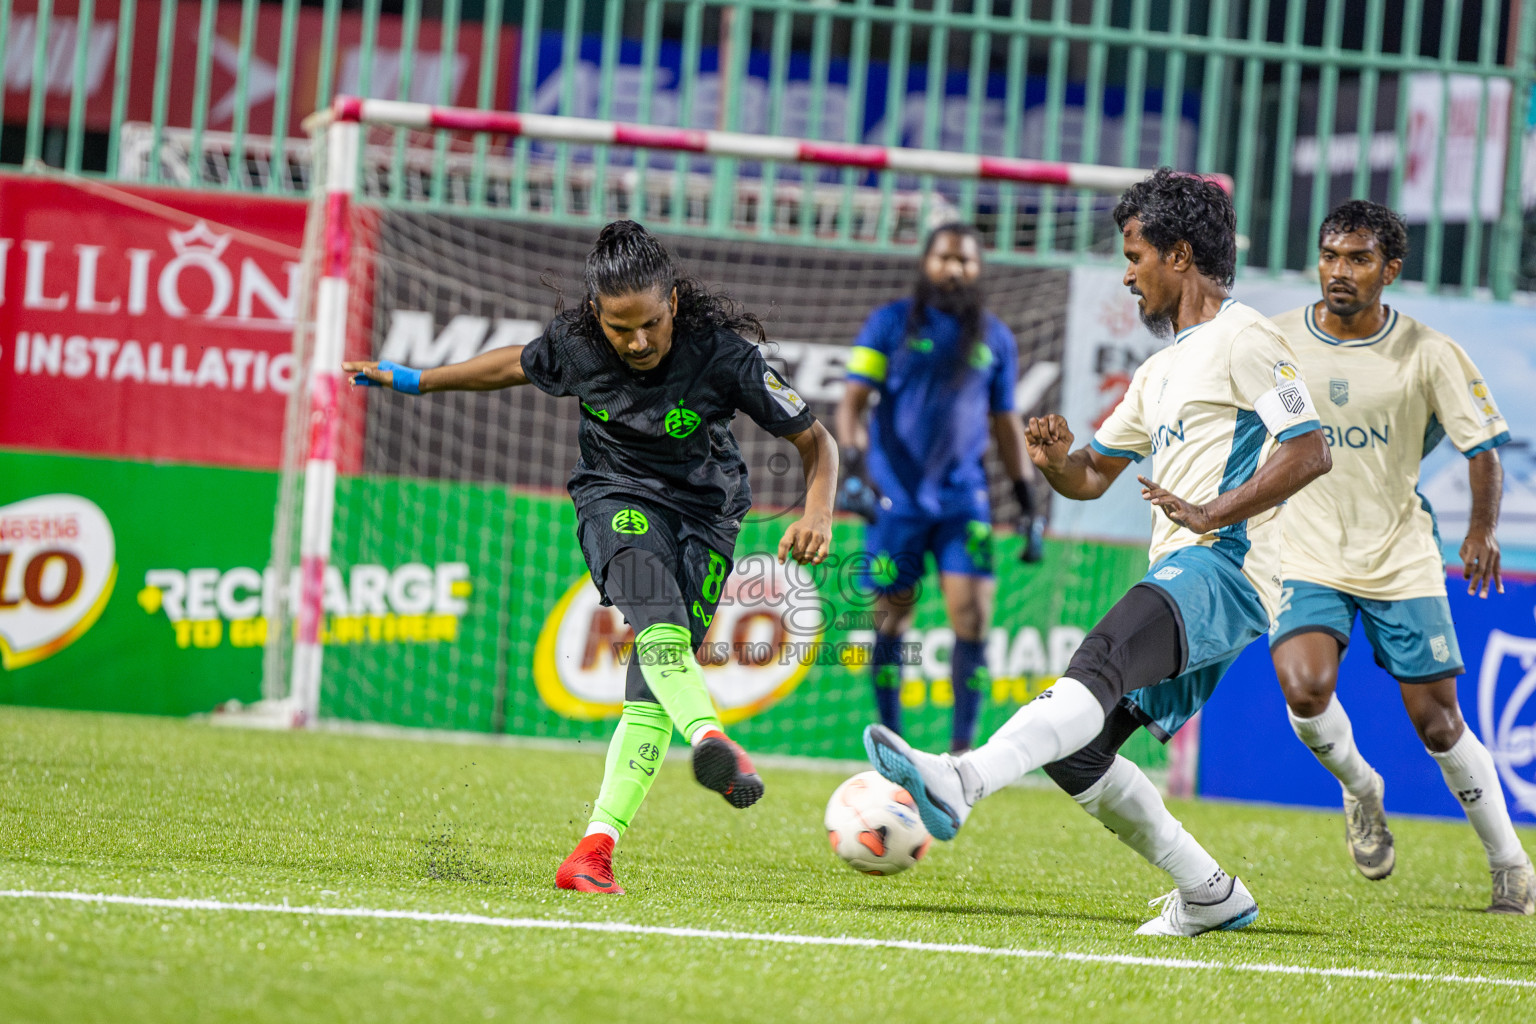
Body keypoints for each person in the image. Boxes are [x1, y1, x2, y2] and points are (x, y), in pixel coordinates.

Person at [863, 169, 1333, 935]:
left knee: (1099, 658)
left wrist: (1213, 509)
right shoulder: (1156, 372)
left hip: (1229, 568)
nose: (1127, 271)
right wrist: (1054, 463)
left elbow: (1309, 450)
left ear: (1178, 255)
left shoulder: (1247, 338)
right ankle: (1210, 890)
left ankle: (962, 778)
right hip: (1188, 572)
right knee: (1078, 754)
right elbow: (1091, 475)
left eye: (1136, 253)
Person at [346, 220, 839, 895]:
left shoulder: (724, 356)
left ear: (671, 302)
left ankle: (593, 852)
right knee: (656, 616)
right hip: (616, 498)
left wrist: (818, 511)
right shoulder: (575, 347)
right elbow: (510, 364)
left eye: (648, 325)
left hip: (707, 515)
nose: (636, 342)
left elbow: (817, 442)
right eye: (618, 328)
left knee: (649, 695)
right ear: (594, 316)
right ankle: (711, 738)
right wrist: (415, 380)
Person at [1267, 200, 1533, 913]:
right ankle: (1361, 788)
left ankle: (1509, 861)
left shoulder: (1428, 351)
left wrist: (1480, 530)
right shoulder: (1278, 340)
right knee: (1303, 687)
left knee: (1439, 722)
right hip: (1307, 550)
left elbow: (1482, 446)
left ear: (1391, 268)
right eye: (1330, 255)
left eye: (1357, 259)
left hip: (1400, 555)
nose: (1339, 271)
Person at [835, 222, 1046, 755]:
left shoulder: (995, 338)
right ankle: (892, 743)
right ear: (925, 263)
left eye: (966, 261)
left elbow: (1005, 424)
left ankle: (960, 754)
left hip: (964, 503)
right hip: (893, 502)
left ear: (979, 270)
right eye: (945, 258)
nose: (954, 269)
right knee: (891, 616)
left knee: (973, 618)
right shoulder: (887, 324)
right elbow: (852, 404)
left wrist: (1027, 503)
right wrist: (856, 470)